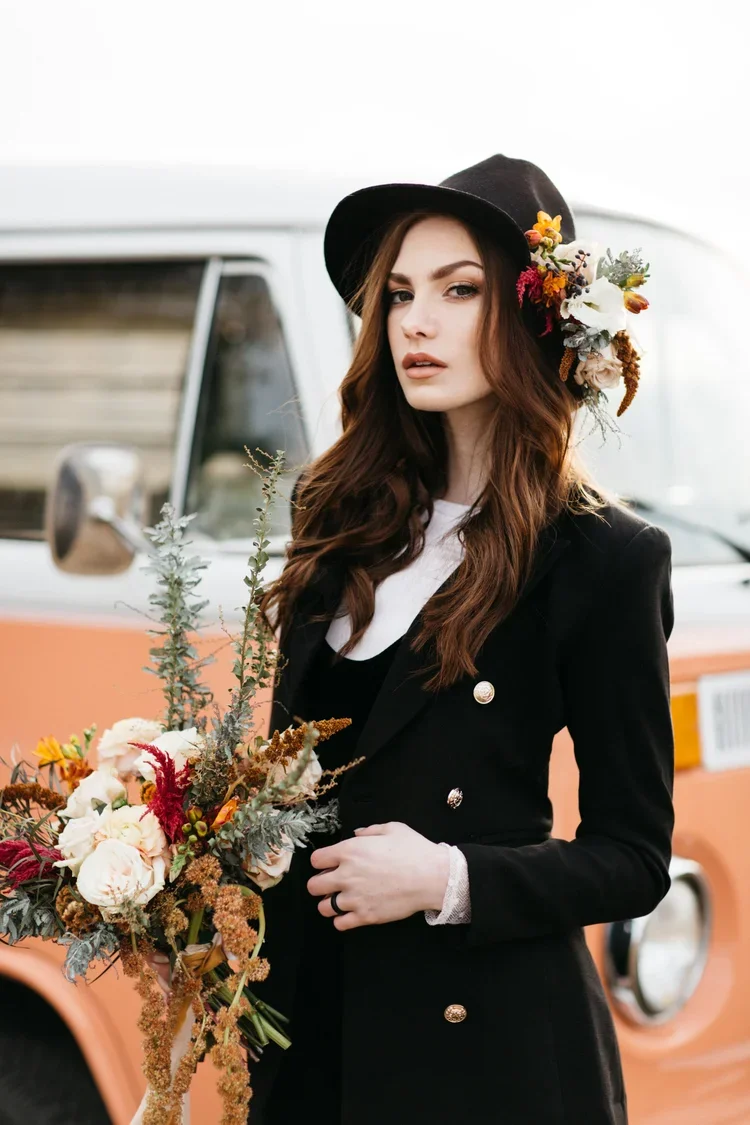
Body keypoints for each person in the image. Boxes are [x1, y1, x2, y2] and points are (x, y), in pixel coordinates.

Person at [251, 153, 675, 1125]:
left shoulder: (603, 559)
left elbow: (634, 855)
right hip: (312, 1036)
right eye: (400, 293)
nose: (415, 321)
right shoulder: (340, 515)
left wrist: (448, 878)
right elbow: (289, 779)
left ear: (538, 316)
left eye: (459, 290)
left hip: (486, 1058)